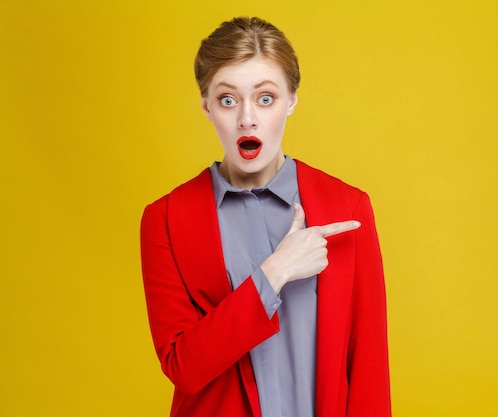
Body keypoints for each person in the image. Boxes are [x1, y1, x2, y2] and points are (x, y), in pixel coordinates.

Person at [140, 16, 391, 417]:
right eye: (227, 99)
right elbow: (184, 367)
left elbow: (369, 369)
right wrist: (276, 271)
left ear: (292, 100)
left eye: (265, 98)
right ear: (205, 105)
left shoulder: (347, 208)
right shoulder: (166, 219)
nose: (246, 118)